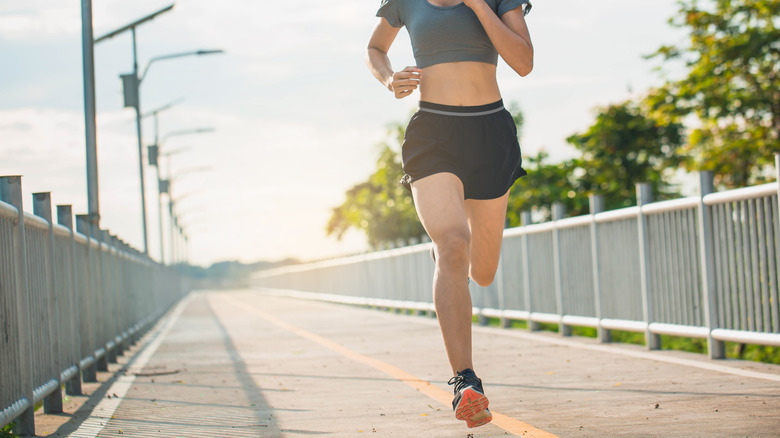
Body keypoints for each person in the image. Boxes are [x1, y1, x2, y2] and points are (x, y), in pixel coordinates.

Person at [365, 0, 533, 429]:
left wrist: (478, 4)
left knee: (485, 270)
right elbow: (375, 49)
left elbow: (523, 62)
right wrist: (389, 80)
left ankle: (449, 259)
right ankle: (466, 381)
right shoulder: (405, 2)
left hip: (490, 131)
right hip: (433, 131)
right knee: (453, 244)